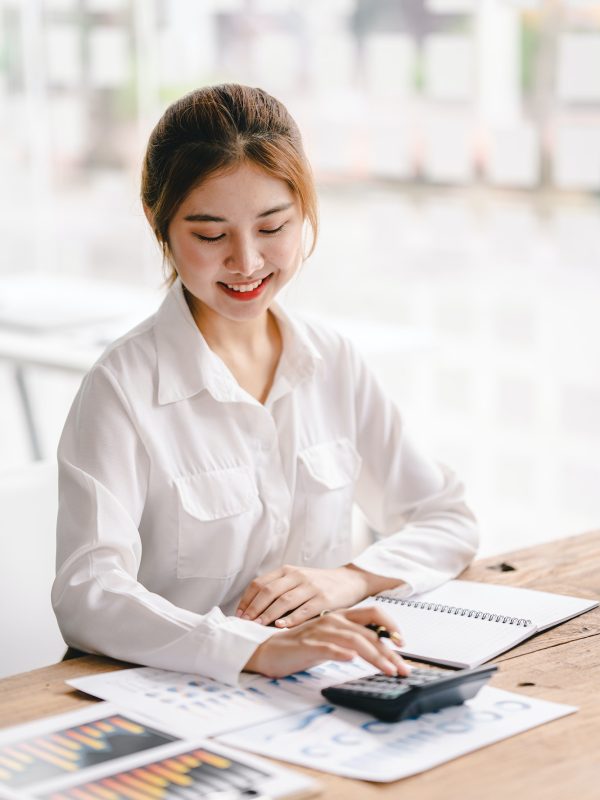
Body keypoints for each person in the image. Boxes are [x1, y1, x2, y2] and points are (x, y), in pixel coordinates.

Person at [52, 84, 478, 686]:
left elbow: (447, 518)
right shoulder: (121, 388)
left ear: (304, 211)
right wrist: (248, 648)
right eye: (209, 235)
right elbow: (87, 592)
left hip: (317, 687)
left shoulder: (332, 361)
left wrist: (347, 579)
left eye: (273, 226)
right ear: (160, 225)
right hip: (175, 693)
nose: (246, 262)